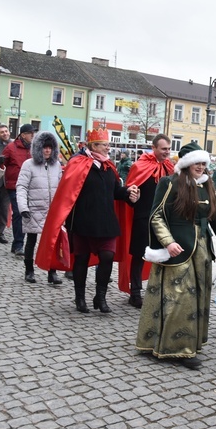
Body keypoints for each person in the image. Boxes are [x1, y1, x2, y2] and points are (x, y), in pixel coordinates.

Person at [136, 142, 216, 368]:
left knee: (197, 298)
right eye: (197, 163)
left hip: (202, 251)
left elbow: (214, 214)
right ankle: (176, 350)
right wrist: (168, 242)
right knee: (180, 298)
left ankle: (189, 344)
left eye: (203, 163)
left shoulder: (206, 184)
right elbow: (157, 216)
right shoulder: (169, 183)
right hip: (178, 250)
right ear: (187, 163)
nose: (200, 167)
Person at [36, 127, 139, 313]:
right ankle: (80, 297)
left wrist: (128, 193)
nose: (108, 148)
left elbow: (115, 191)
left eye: (109, 145)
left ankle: (100, 297)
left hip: (106, 222)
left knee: (107, 257)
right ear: (94, 146)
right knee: (81, 259)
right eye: (105, 145)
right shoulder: (78, 164)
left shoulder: (109, 167)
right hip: (83, 222)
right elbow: (68, 193)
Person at [119, 135, 175, 308]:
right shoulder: (140, 166)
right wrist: (132, 197)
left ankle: (160, 291)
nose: (167, 152)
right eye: (163, 148)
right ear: (154, 147)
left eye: (168, 148)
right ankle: (135, 293)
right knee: (139, 255)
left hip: (164, 219)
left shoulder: (169, 168)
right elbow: (130, 192)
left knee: (164, 256)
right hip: (143, 217)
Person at [16, 131, 63, 285]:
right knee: (31, 240)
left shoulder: (56, 165)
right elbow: (21, 186)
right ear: (38, 148)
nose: (47, 150)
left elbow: (62, 187)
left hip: (52, 211)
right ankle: (29, 270)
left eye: (50, 147)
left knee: (53, 243)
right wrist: (23, 207)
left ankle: (52, 271)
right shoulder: (28, 165)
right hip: (34, 209)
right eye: (44, 147)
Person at [3, 124, 37, 256]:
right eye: (30, 133)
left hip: (31, 186)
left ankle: (23, 243)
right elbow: (0, 163)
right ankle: (18, 244)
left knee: (28, 214)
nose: (33, 136)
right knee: (18, 213)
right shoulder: (11, 148)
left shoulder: (35, 148)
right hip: (15, 186)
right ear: (23, 135)